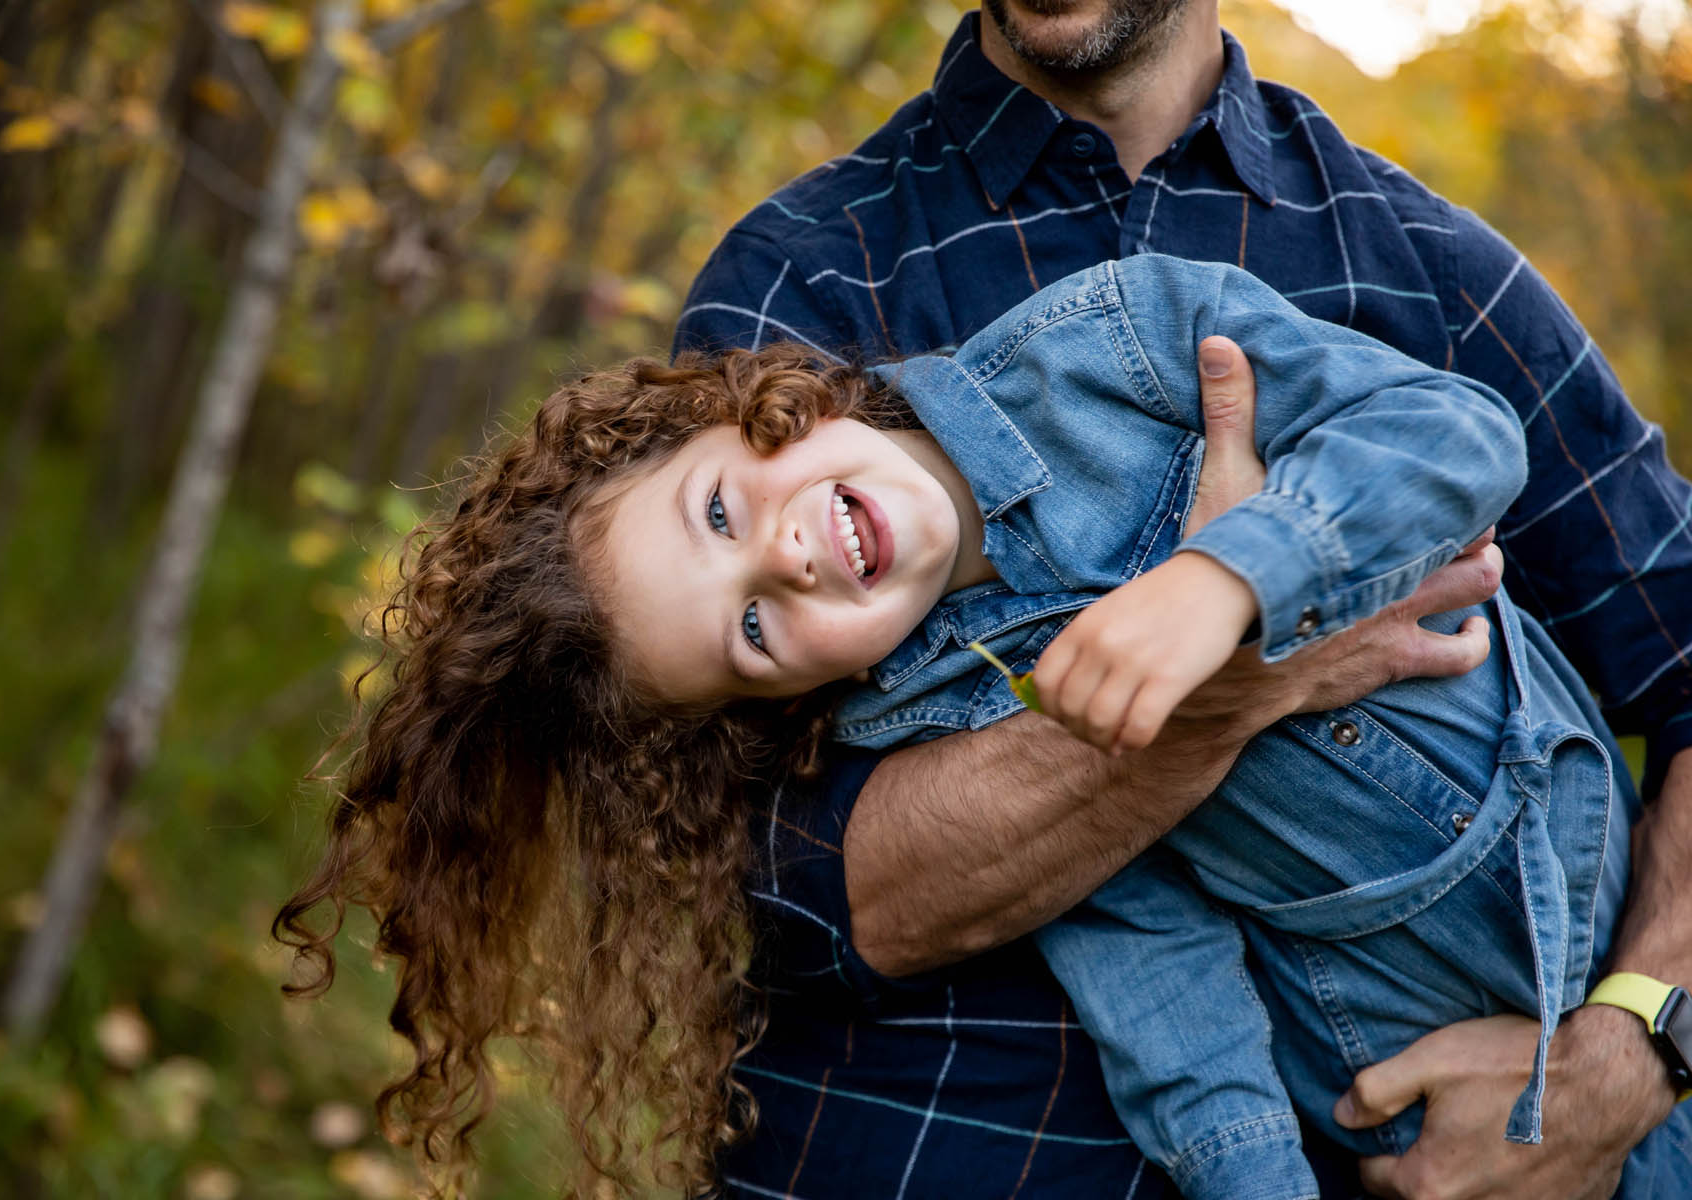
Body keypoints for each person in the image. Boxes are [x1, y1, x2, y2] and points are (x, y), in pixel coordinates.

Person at [273, 250, 1655, 1199]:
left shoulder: (1112, 348)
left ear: (770, 408)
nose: (790, 557)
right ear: (783, 699)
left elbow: (1454, 436)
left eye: (720, 512)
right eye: (751, 627)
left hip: (1585, 867)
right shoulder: (940, 723)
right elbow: (1154, 968)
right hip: (1385, 1047)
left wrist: (1225, 583)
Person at [672, 3, 1692, 1197]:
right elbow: (752, 880)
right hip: (904, 1147)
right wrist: (1217, 699)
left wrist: (1633, 1049)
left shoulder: (1437, 275)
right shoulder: (803, 276)